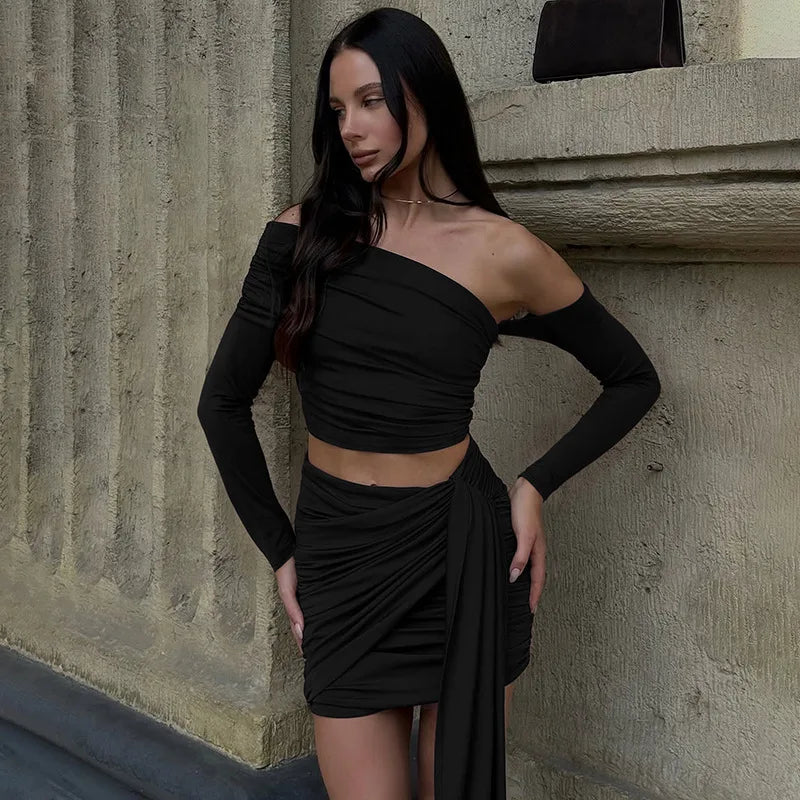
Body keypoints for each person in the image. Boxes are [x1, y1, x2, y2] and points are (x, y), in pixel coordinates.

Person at [197, 7, 660, 800]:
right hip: (341, 556)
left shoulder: (502, 252)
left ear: (427, 95)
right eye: (338, 109)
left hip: (462, 553)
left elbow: (632, 377)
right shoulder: (301, 238)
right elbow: (221, 405)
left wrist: (533, 485)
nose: (351, 128)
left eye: (373, 101)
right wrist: (282, 549)